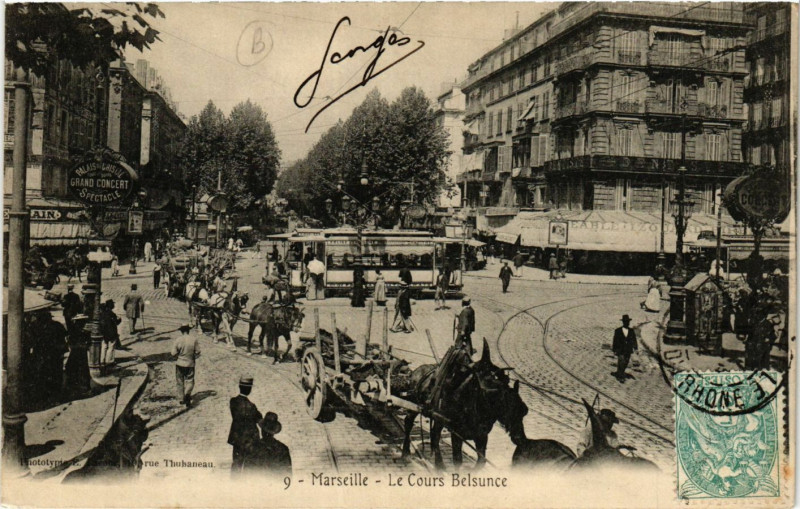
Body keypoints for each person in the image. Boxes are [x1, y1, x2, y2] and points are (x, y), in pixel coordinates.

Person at [228, 375, 262, 474]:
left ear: (239, 387)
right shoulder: (252, 406)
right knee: (250, 466)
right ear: (250, 389)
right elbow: (259, 418)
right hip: (250, 440)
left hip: (237, 438)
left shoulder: (233, 401)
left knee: (236, 463)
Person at [247, 412, 292, 476]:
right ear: (274, 432)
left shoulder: (253, 447)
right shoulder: (283, 448)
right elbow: (288, 474)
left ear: (262, 430)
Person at [172, 324, 201, 407]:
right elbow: (198, 351)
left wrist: (178, 356)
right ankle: (187, 394)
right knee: (190, 380)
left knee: (180, 381)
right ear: (188, 330)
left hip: (180, 364)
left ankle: (181, 399)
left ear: (181, 331)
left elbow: (173, 353)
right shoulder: (194, 340)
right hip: (190, 364)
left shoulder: (178, 340)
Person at [64, 314, 91, 398]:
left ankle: (73, 388)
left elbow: (69, 342)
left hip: (75, 353)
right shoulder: (84, 332)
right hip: (81, 353)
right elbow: (88, 343)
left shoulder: (73, 331)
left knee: (73, 370)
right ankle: (82, 389)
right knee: (82, 370)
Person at [611, 315, 638, 382]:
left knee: (626, 362)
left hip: (628, 350)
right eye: (626, 322)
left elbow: (634, 340)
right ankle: (620, 376)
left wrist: (635, 348)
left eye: (628, 322)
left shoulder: (631, 331)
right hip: (620, 349)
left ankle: (620, 372)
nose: (627, 323)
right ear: (623, 322)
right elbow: (615, 340)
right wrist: (615, 349)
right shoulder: (618, 331)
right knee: (621, 362)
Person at [100, 299, 121, 368]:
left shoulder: (103, 313)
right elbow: (116, 322)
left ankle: (102, 360)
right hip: (111, 333)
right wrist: (119, 319)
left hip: (104, 333)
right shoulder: (111, 314)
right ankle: (109, 361)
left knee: (104, 346)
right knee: (111, 347)